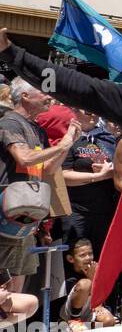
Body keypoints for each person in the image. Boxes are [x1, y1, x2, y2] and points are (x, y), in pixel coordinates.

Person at [0, 80, 80, 292]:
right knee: (3, 286)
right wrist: (61, 145)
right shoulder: (10, 122)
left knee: (18, 282)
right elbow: (24, 158)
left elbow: (47, 170)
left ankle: (11, 326)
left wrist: (67, 143)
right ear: (25, 96)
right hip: (6, 214)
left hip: (25, 216)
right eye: (44, 92)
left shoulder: (38, 130)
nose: (50, 97)